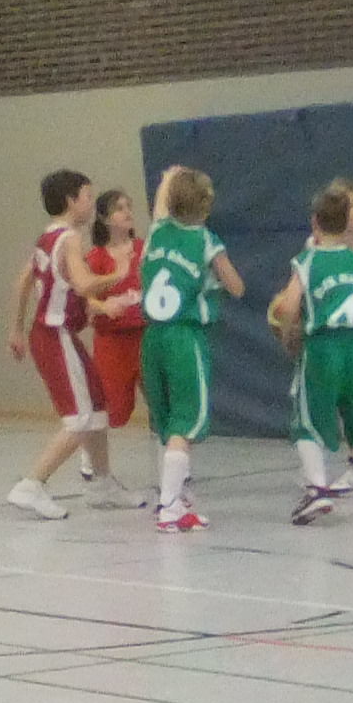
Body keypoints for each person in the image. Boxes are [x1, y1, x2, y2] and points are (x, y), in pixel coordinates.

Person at [272, 186, 353, 527]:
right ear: (347, 223)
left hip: (325, 347)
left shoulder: (307, 260)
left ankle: (317, 490)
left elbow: (288, 307)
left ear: (315, 222)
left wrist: (287, 330)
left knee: (306, 422)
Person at [138, 164, 242, 534]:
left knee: (167, 422)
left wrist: (168, 178)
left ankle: (175, 497)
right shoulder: (206, 241)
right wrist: (215, 277)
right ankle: (168, 506)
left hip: (151, 338)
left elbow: (159, 209)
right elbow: (236, 287)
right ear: (206, 205)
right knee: (185, 420)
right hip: (184, 337)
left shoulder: (156, 232)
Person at [4, 168, 107, 519]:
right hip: (55, 334)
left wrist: (15, 329)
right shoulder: (70, 238)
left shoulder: (46, 237)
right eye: (88, 196)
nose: (92, 203)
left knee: (98, 408)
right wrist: (122, 275)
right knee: (79, 419)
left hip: (52, 334)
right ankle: (31, 485)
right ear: (71, 200)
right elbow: (84, 285)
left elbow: (22, 283)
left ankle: (103, 483)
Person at [76, 186, 147, 491]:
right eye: (120, 208)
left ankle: (174, 465)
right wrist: (104, 306)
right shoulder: (96, 258)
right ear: (105, 219)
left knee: (161, 400)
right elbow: (84, 297)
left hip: (146, 335)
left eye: (129, 206)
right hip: (112, 341)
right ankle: (89, 456)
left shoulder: (145, 250)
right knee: (111, 407)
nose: (128, 212)